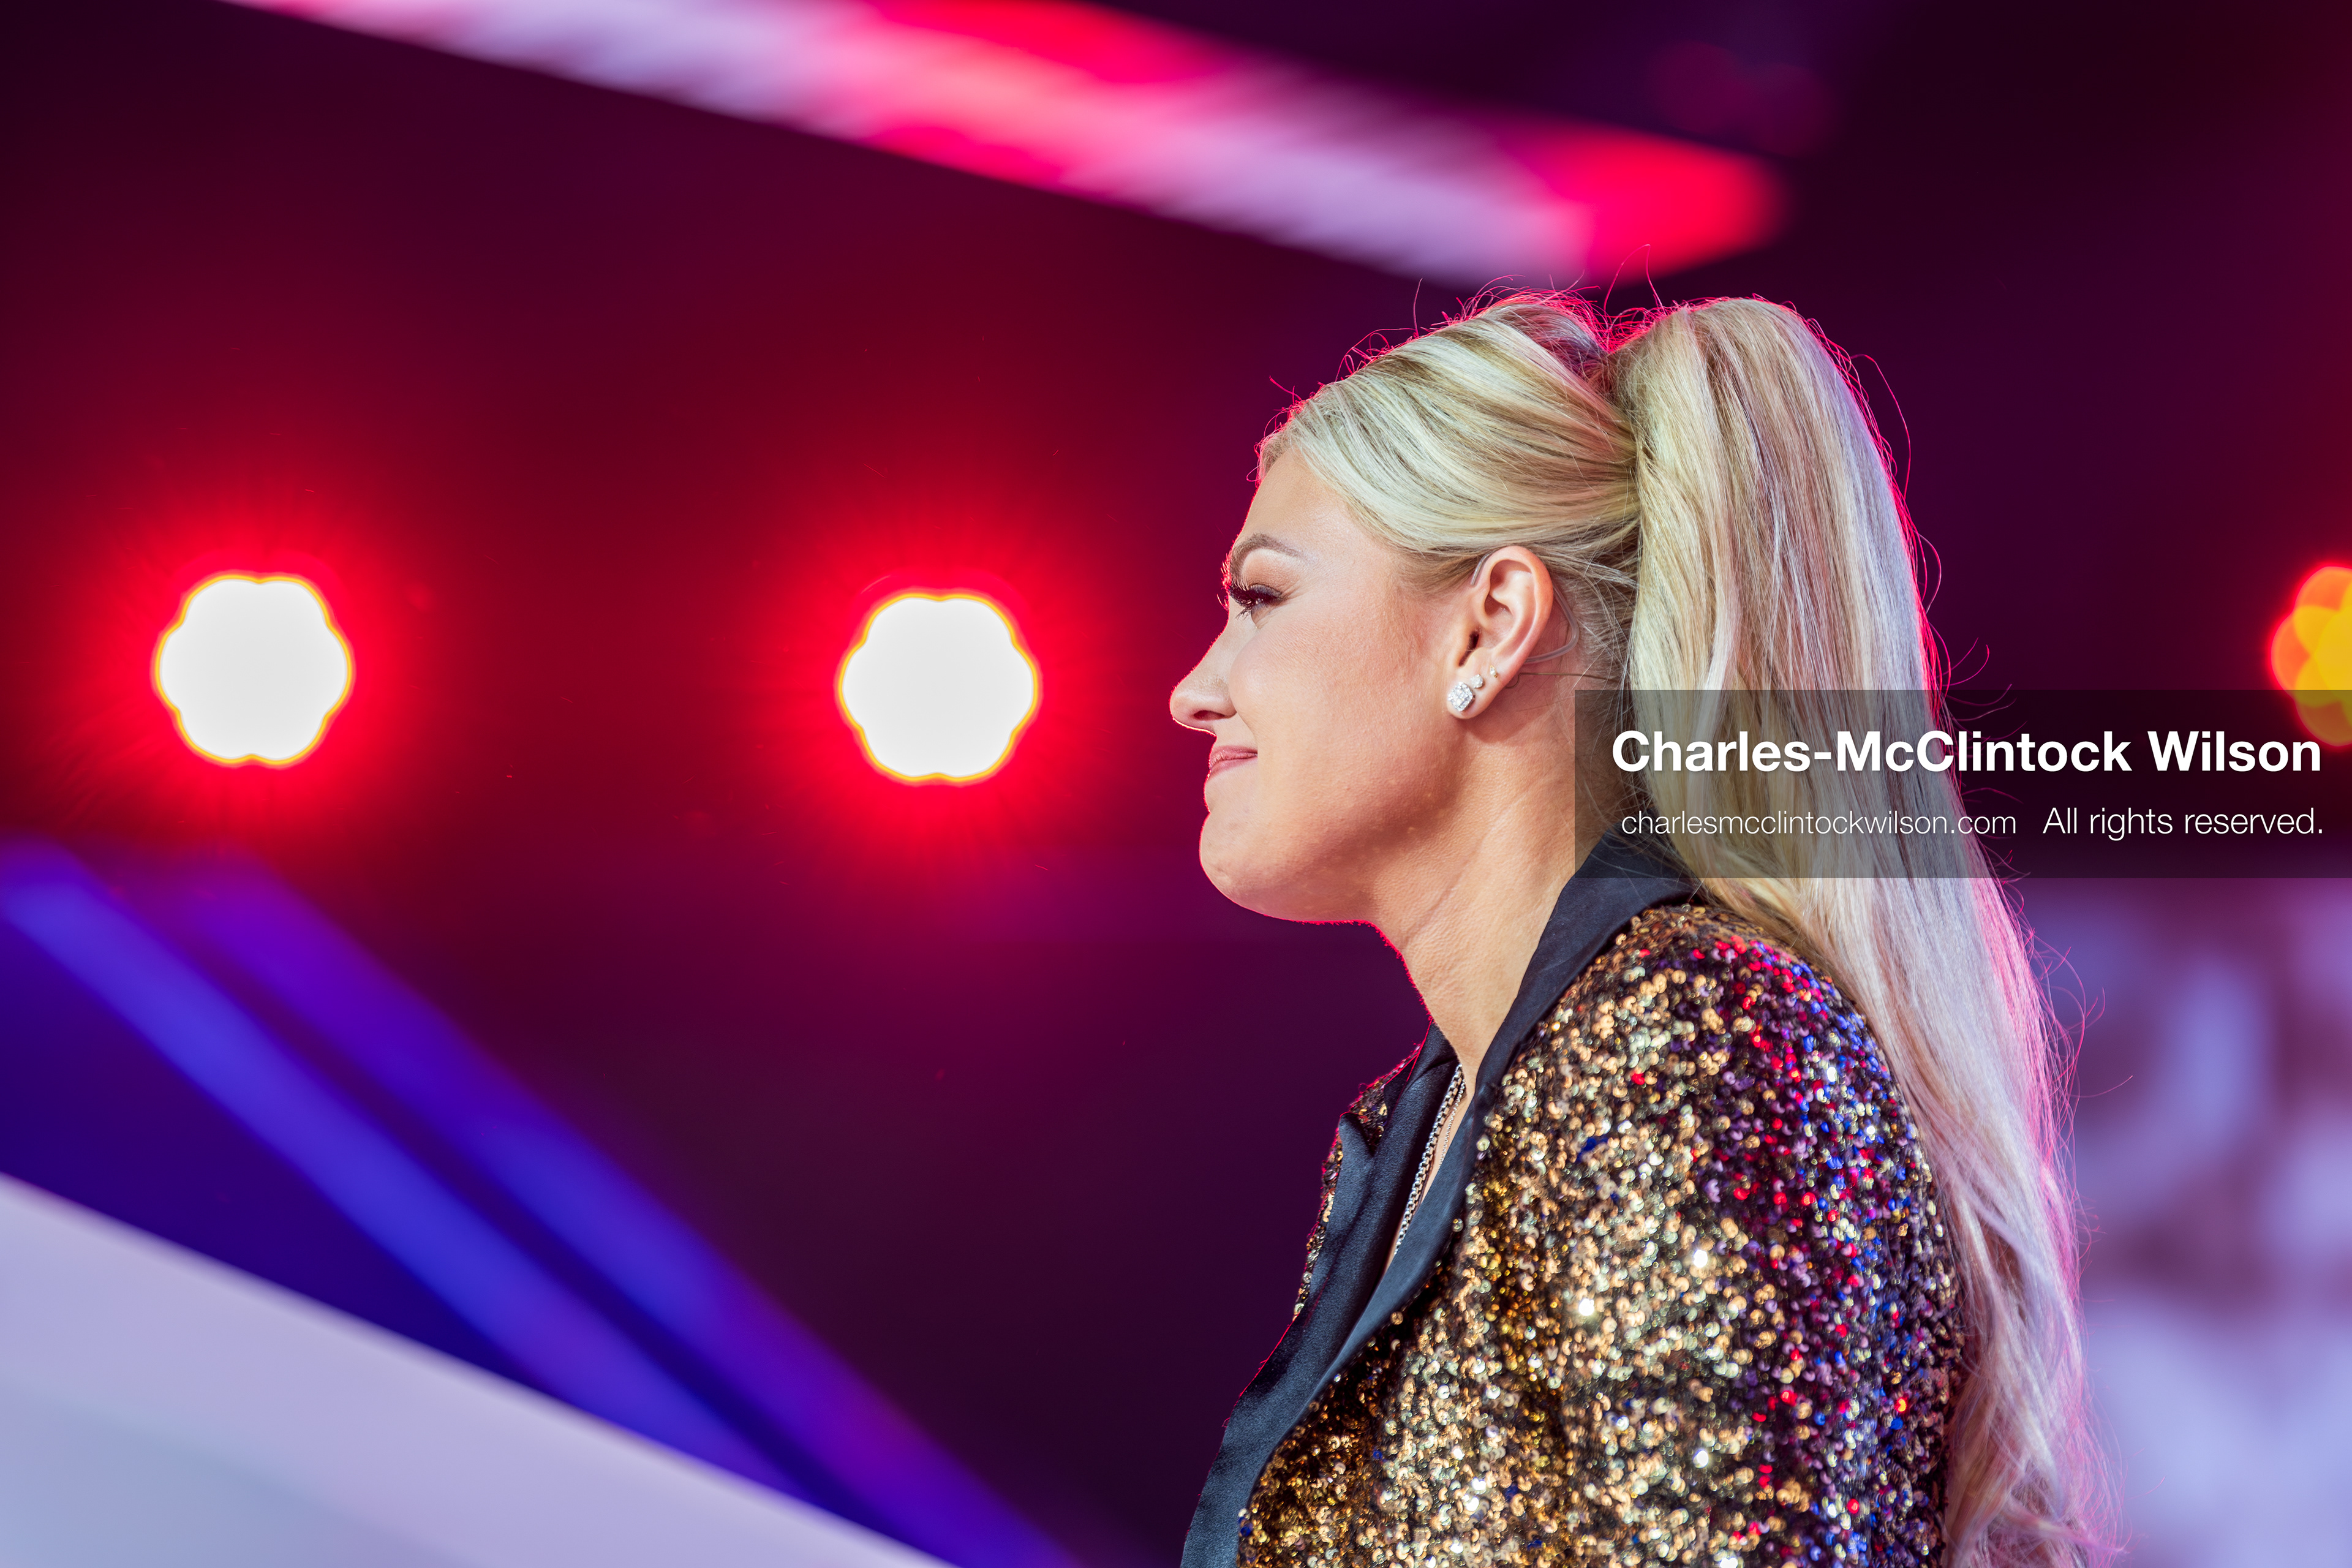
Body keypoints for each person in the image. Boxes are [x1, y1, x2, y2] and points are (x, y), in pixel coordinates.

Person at [1167, 295, 2105, 1567]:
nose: (1195, 688)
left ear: (1490, 625)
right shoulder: (1440, 1112)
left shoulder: (1691, 1040)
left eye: (1261, 595)